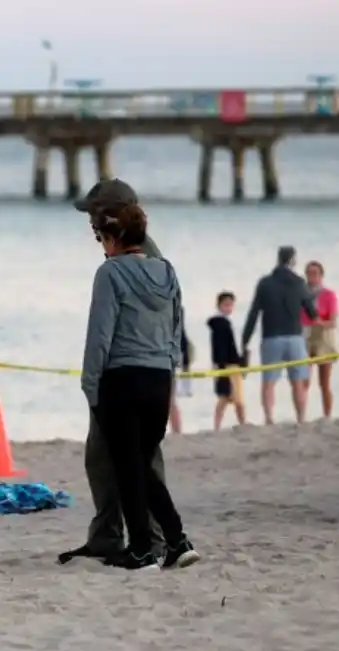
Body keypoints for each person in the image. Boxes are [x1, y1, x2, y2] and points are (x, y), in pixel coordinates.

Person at [80, 204, 200, 571]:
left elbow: (100, 336)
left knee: (129, 465)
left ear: (113, 238)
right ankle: (170, 542)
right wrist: (169, 371)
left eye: (101, 238)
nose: (101, 245)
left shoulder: (110, 273)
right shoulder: (166, 271)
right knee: (140, 463)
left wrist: (90, 385)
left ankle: (148, 547)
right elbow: (176, 327)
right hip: (158, 379)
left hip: (122, 379)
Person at [59, 178, 168, 565]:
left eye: (93, 215)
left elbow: (105, 330)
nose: (89, 223)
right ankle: (107, 534)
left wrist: (92, 383)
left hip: (124, 378)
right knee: (102, 457)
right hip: (136, 375)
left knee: (140, 460)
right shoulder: (129, 257)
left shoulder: (133, 262)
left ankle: (153, 540)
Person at [241, 246, 319, 424]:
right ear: (292, 260)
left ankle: (269, 418)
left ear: (278, 259)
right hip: (295, 337)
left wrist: (245, 340)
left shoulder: (265, 283)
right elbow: (312, 312)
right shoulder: (299, 282)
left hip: (271, 337)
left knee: (269, 382)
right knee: (298, 381)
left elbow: (254, 313)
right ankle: (301, 418)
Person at [301, 261, 338, 419]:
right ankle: (301, 415)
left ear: (321, 275)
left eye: (315, 273)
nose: (312, 277)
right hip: (305, 335)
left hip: (323, 336)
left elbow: (333, 321)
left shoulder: (329, 294)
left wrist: (320, 322)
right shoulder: (301, 295)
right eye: (309, 273)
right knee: (303, 381)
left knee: (324, 383)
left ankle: (327, 415)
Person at [207, 291, 247, 430]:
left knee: (225, 397)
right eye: (226, 305)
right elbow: (223, 347)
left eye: (231, 305)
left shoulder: (223, 324)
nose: (229, 308)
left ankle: (217, 425)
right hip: (229, 365)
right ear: (219, 306)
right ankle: (242, 423)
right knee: (237, 399)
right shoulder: (222, 324)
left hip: (227, 364)